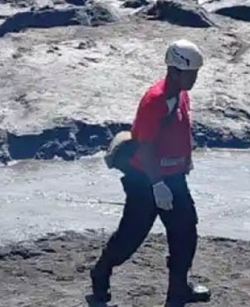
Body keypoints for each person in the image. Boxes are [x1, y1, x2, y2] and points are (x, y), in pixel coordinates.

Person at [91, 40, 212, 306]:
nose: (195, 79)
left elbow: (179, 131)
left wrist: (184, 163)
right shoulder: (154, 101)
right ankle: (101, 273)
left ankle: (178, 290)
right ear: (175, 70)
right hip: (145, 181)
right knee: (130, 238)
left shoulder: (180, 93)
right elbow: (144, 147)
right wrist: (157, 185)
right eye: (191, 73)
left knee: (185, 232)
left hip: (173, 178)